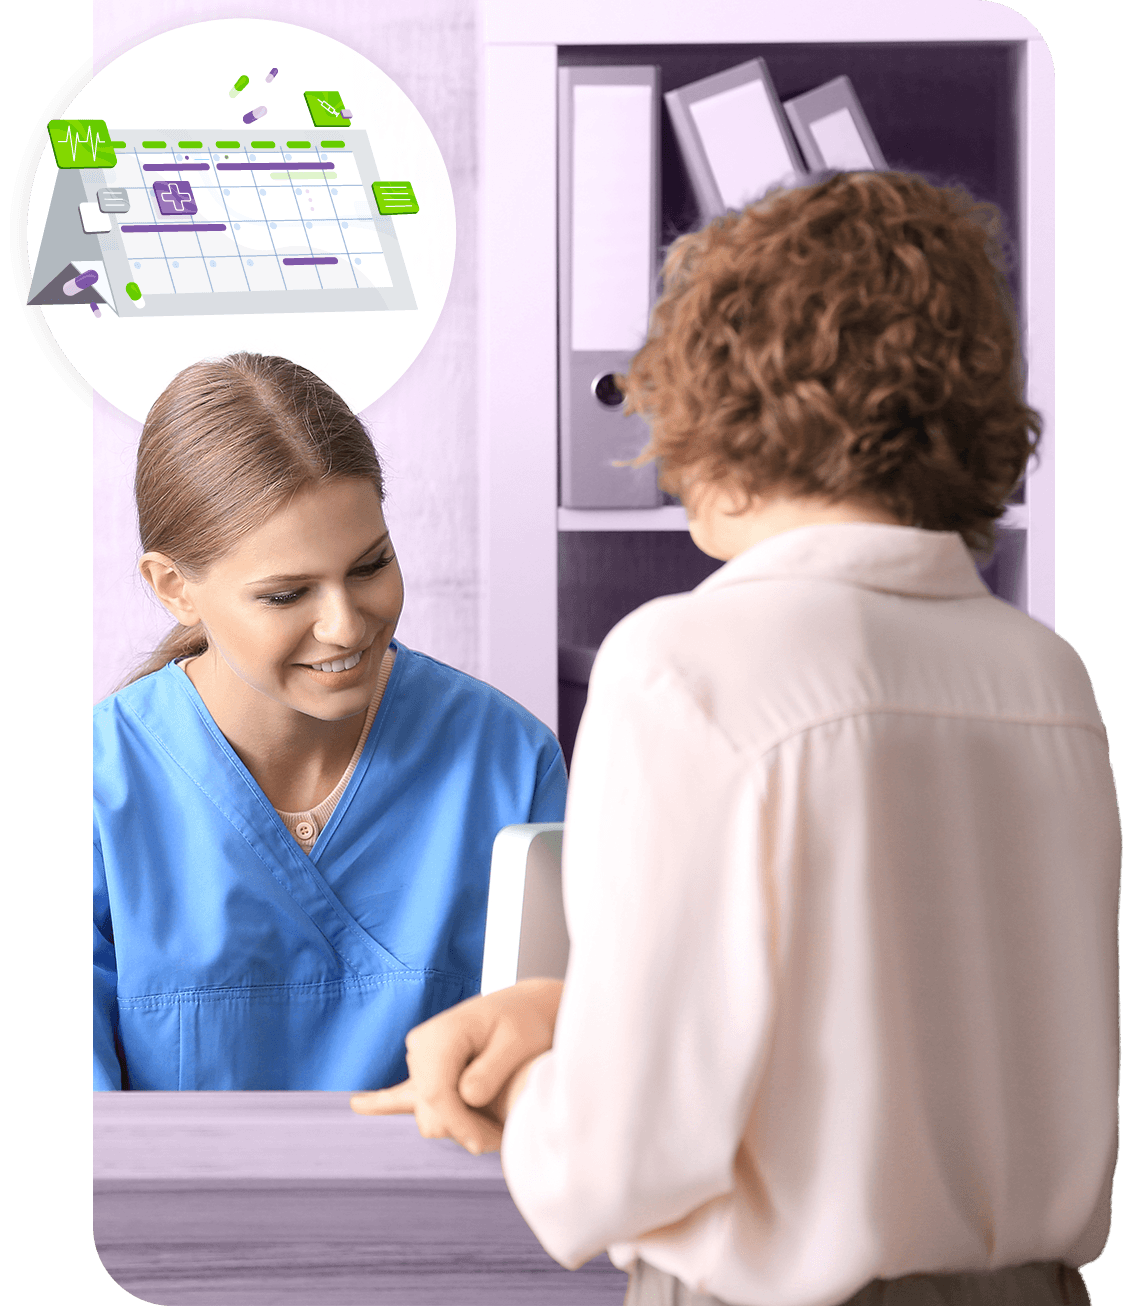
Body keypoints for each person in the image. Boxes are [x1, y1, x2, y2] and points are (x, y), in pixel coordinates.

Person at [351, 172, 1121, 1306]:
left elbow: (624, 1159)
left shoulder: (685, 664)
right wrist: (577, 1013)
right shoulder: (1046, 678)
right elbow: (902, 1031)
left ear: (713, 408)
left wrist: (525, 1094)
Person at [93, 353, 566, 1091]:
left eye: (370, 565)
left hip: (446, 1210)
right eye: (287, 595)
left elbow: (564, 1083)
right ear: (174, 587)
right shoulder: (92, 791)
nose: (346, 627)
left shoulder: (509, 763)